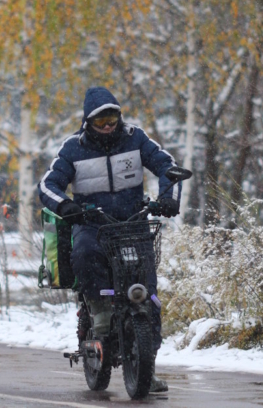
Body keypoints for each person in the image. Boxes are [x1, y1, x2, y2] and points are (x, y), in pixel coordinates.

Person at [38, 86, 180, 392]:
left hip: (134, 224)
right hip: (93, 226)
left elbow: (168, 167)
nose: (107, 125)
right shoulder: (72, 149)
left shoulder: (136, 138)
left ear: (119, 115)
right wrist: (66, 206)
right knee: (85, 253)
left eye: (112, 117)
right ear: (88, 121)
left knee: (148, 297)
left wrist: (168, 198)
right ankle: (99, 314)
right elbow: (48, 185)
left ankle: (146, 367)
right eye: (100, 120)